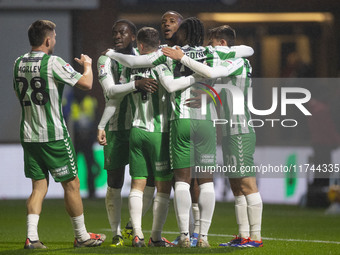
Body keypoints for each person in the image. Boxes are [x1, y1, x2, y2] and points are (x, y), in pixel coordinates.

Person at [162, 25, 264, 248]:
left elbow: (210, 73)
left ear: (223, 43)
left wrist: (182, 57)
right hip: (228, 131)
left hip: (240, 130)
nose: (208, 46)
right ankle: (243, 235)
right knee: (236, 185)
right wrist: (210, 97)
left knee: (247, 183)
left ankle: (255, 237)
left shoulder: (236, 61)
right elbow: (222, 89)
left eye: (212, 42)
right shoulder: (228, 63)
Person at [13, 20, 106, 249]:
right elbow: (86, 83)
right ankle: (82, 236)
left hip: (29, 134)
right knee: (72, 183)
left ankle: (31, 237)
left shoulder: (18, 63)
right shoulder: (52, 62)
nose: (55, 40)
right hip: (53, 135)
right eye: (53, 37)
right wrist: (87, 65)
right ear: (47, 40)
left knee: (38, 186)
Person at [96, 19, 155, 247]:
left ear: (133, 36)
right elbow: (110, 92)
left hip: (142, 126)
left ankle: (133, 224)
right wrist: (136, 84)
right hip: (115, 129)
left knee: (149, 179)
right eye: (115, 32)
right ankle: (117, 233)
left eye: (123, 32)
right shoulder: (105, 59)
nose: (117, 35)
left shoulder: (143, 59)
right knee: (115, 181)